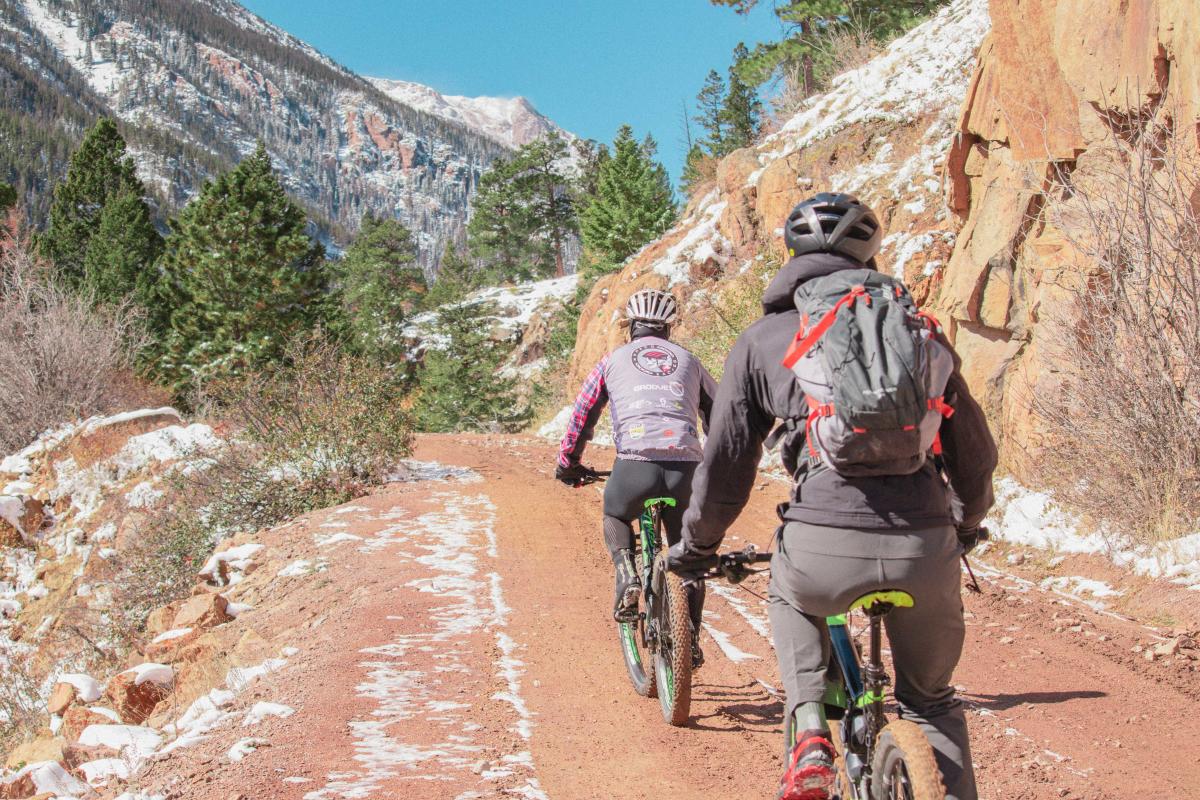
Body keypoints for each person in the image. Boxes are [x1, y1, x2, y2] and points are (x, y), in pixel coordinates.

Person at [666, 193, 996, 800]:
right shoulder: (918, 331)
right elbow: (974, 451)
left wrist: (698, 544)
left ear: (791, 255)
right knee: (931, 700)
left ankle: (810, 729)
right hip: (925, 544)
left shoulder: (764, 339)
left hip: (822, 546)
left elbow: (728, 462)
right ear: (871, 254)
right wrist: (965, 522)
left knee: (791, 595)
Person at [556, 288, 717, 661]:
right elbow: (720, 412)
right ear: (668, 329)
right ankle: (689, 640)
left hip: (634, 467)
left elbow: (583, 414)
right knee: (688, 557)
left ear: (631, 327)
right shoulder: (690, 361)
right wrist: (715, 462)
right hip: (685, 472)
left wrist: (569, 462)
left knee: (615, 513)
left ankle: (627, 570)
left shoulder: (612, 361)